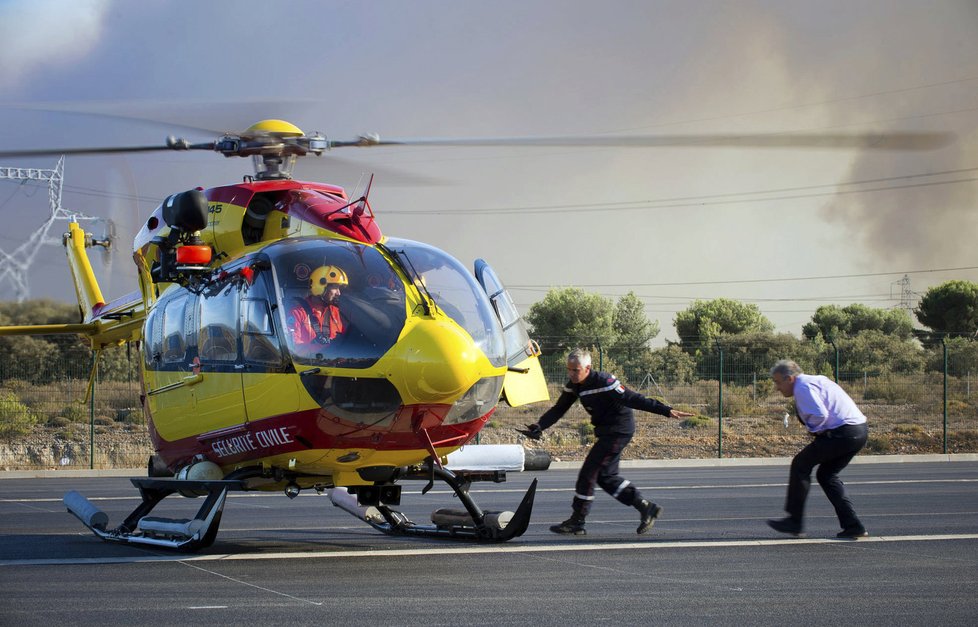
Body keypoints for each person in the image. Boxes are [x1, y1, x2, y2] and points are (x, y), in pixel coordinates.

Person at [522, 348, 694, 536]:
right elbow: (559, 409)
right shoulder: (575, 385)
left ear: (588, 368)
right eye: (569, 370)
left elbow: (633, 399)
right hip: (606, 432)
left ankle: (577, 521)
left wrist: (666, 410)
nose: (571, 374)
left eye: (575, 370)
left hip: (619, 430)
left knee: (588, 473)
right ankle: (646, 507)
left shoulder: (605, 381)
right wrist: (540, 426)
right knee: (605, 478)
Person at [767, 359, 870, 539]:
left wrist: (815, 431)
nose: (777, 387)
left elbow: (819, 414)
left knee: (800, 464)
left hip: (843, 433)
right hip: (859, 430)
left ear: (789, 379)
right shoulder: (816, 379)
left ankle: (794, 521)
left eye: (778, 382)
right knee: (826, 475)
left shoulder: (802, 388)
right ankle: (853, 526)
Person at [287, 264, 348, 348]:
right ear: (321, 287)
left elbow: (345, 341)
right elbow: (294, 349)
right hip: (312, 360)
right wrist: (322, 348)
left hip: (336, 359)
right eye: (335, 288)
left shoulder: (334, 311)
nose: (339, 293)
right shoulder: (297, 313)